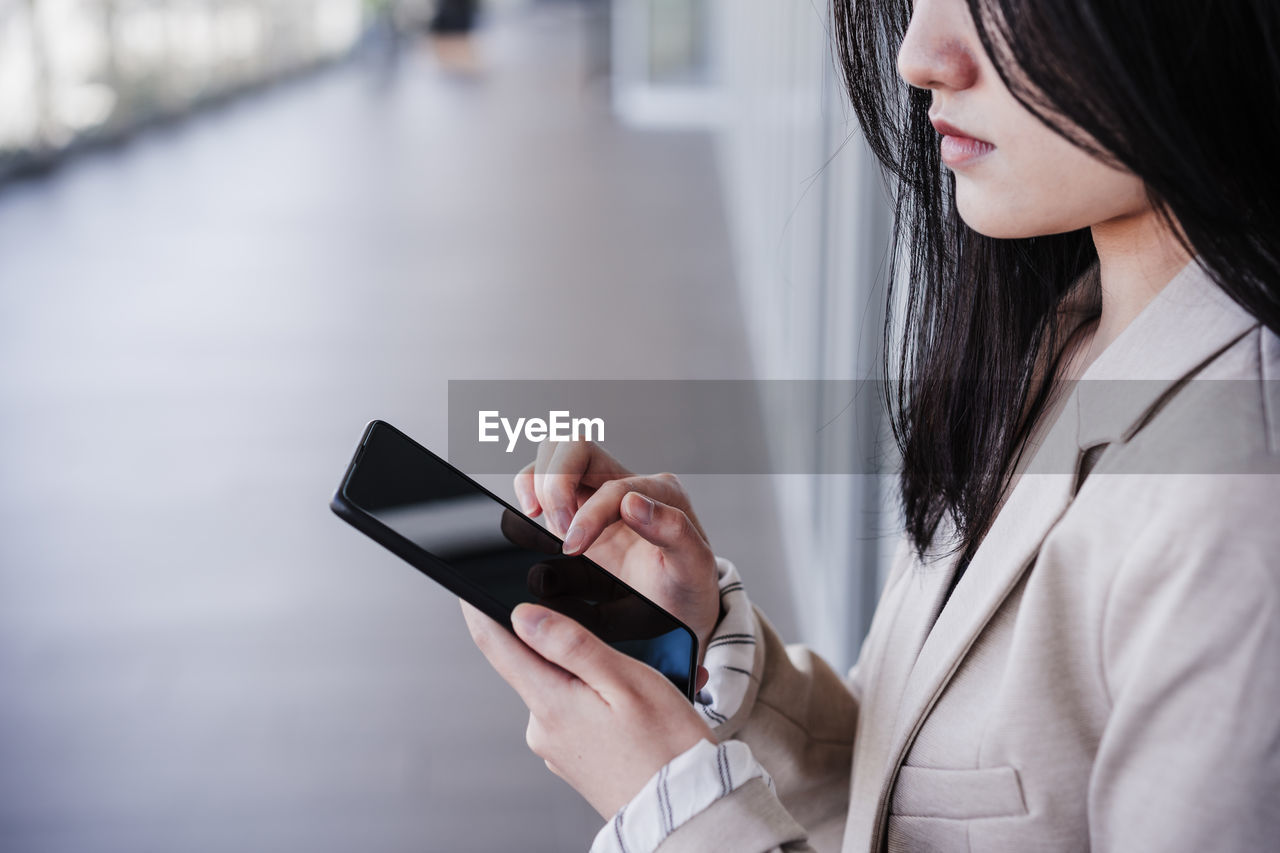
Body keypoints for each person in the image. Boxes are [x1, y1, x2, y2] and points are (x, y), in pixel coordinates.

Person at [460, 0, 1280, 850]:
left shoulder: (1243, 517)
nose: (918, 56)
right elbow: (903, 795)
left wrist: (677, 811)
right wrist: (707, 642)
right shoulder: (1067, 332)